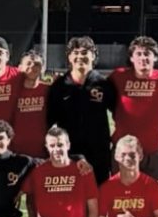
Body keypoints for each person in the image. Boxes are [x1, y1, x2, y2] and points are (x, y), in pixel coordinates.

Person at [48, 36, 116, 184]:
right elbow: (48, 121)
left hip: (99, 153)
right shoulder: (59, 86)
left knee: (99, 197)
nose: (80, 56)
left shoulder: (104, 84)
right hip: (69, 153)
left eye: (85, 52)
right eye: (75, 52)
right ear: (69, 57)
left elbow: (120, 114)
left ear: (93, 55)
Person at [109, 36, 158, 179]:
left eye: (147, 54)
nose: (143, 58)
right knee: (120, 197)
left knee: (154, 197)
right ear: (132, 58)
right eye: (138, 54)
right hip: (123, 151)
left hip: (151, 151)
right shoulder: (118, 77)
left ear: (155, 58)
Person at [11, 50, 49, 159]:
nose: (32, 66)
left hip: (42, 153)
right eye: (28, 63)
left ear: (42, 68)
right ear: (19, 67)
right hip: (15, 153)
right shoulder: (11, 91)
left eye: (37, 64)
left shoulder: (48, 90)